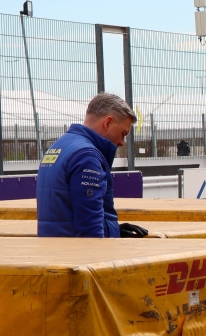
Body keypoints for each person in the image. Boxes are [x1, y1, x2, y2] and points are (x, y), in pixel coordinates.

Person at [37, 93, 145, 238]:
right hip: (78, 255)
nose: (122, 142)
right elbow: (90, 227)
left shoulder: (59, 146)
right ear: (107, 122)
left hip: (56, 249)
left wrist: (112, 229)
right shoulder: (87, 157)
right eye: (123, 133)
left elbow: (64, 212)